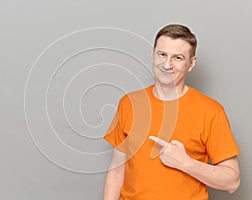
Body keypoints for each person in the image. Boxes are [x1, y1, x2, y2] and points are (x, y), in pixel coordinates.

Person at [103, 24, 240, 200]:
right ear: (153, 55)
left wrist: (185, 163)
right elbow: (115, 172)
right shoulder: (129, 103)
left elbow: (232, 182)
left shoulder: (211, 111)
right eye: (162, 54)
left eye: (177, 57)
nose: (167, 64)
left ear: (191, 63)